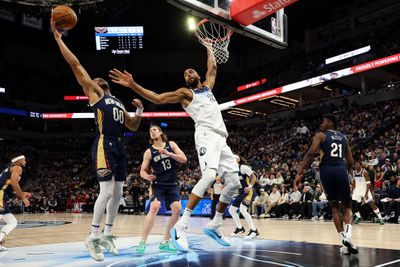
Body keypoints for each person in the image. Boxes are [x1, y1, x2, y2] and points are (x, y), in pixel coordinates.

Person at [109, 45, 241, 252]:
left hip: (222, 139)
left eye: (190, 71)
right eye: (185, 73)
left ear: (198, 75)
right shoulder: (185, 93)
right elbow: (158, 98)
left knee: (234, 182)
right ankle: (181, 226)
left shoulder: (207, 87)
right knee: (208, 176)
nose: (187, 74)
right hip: (206, 135)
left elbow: (213, 68)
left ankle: (215, 224)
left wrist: (208, 47)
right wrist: (133, 84)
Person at [51, 19, 143, 261]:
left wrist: (140, 111)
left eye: (101, 80)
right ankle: (92, 236)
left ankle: (108, 234)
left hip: (120, 145)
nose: (98, 80)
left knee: (118, 192)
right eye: (95, 80)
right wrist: (59, 39)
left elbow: (132, 125)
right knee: (105, 192)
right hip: (104, 143)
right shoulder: (96, 94)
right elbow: (76, 64)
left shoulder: (119, 102)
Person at [294, 114, 358, 255]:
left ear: (330, 123)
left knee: (334, 206)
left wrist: (299, 173)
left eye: (323, 122)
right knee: (347, 206)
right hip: (341, 169)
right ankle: (348, 237)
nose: (321, 125)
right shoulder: (344, 137)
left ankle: (344, 242)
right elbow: (351, 162)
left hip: (326, 171)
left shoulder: (321, 136)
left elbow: (311, 154)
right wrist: (345, 173)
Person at [136, 125, 187, 253]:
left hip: (172, 184)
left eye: (154, 130)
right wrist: (147, 176)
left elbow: (184, 159)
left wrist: (169, 153)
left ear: (160, 132)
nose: (152, 132)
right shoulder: (149, 152)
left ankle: (165, 241)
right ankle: (142, 241)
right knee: (154, 207)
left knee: (177, 208)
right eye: (150, 131)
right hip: (158, 184)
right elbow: (142, 170)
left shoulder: (171, 144)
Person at [0, 155, 31, 251]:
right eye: (24, 159)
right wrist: (22, 197)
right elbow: (14, 183)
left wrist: (21, 193)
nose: (25, 161)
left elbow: (9, 188)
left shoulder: (8, 169)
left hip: (2, 195)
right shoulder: (18, 167)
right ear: (18, 160)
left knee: (12, 222)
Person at [228, 155, 259, 239]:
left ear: (237, 160)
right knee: (232, 210)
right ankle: (240, 228)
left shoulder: (243, 167)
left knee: (242, 209)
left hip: (249, 192)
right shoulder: (233, 171)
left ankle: (254, 230)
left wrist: (250, 187)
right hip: (241, 193)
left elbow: (254, 177)